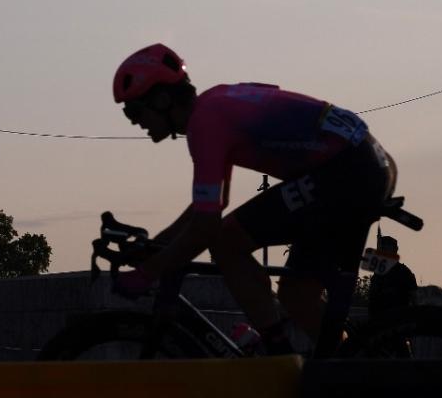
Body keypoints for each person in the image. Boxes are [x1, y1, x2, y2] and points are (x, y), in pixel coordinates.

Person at [111, 44, 396, 355]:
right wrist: (159, 245)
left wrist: (147, 273)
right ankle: (356, 367)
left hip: (346, 171)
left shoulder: (206, 124)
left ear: (162, 99)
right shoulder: (213, 105)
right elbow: (208, 207)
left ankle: (277, 356)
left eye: (134, 111)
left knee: (225, 241)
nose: (134, 122)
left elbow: (206, 226)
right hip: (364, 164)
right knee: (297, 295)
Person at [368, 234, 417, 319]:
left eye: (387, 248)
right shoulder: (378, 274)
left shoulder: (404, 272)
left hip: (397, 320)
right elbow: (372, 300)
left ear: (395, 250)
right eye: (382, 249)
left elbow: (414, 297)